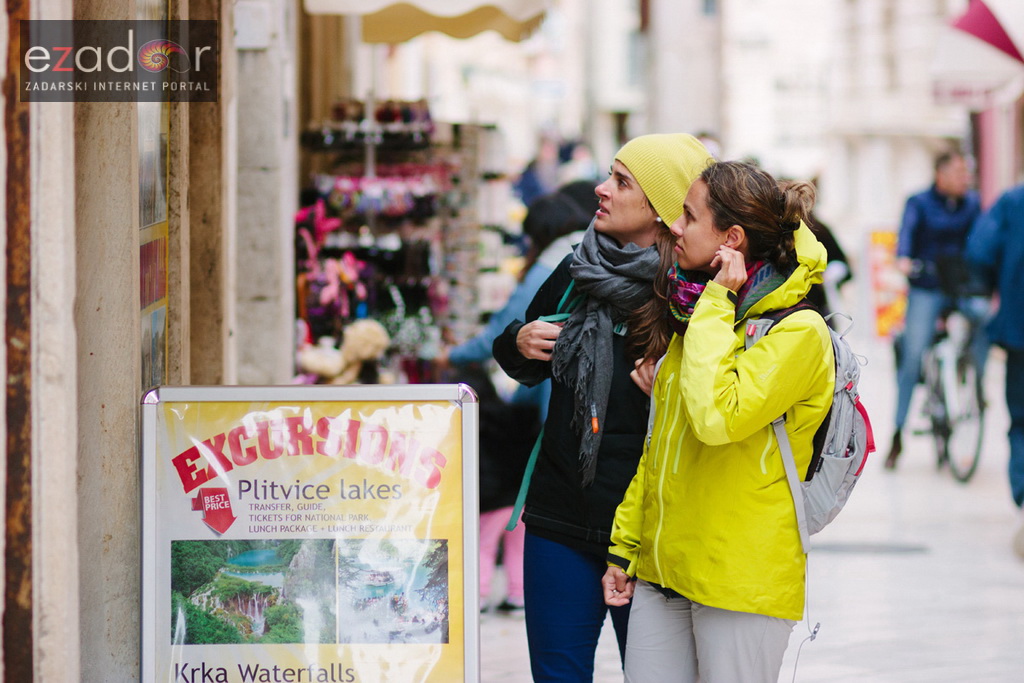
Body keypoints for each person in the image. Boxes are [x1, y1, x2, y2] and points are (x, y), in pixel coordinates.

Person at [601, 160, 833, 682]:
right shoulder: (700, 317)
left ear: (731, 238)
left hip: (739, 577)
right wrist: (627, 547)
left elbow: (714, 418)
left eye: (688, 215)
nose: (674, 228)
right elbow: (660, 445)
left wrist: (716, 303)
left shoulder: (798, 332)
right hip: (667, 568)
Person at [492, 134, 713, 681]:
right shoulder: (578, 270)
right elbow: (518, 354)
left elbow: (726, 408)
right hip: (560, 517)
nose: (600, 189)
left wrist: (673, 388)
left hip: (651, 531)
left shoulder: (698, 295)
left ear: (663, 209)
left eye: (621, 181)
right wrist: (519, 342)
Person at [437, 186, 595, 614]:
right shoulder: (587, 251)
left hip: (564, 416)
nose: (602, 191)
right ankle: (520, 590)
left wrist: (450, 355)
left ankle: (498, 589)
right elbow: (516, 336)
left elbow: (505, 329)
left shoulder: (558, 260)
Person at [885, 150, 987, 470]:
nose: (964, 178)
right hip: (926, 286)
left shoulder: (971, 204)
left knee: (985, 317)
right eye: (958, 172)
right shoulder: (918, 203)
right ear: (940, 174)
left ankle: (975, 383)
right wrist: (903, 258)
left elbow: (982, 240)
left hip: (960, 287)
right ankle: (898, 433)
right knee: (914, 355)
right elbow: (906, 236)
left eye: (966, 172)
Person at [966, 183, 1024, 556]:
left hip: (1019, 328)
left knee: (1021, 419)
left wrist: (992, 286)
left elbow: (979, 252)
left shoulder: (1012, 201)